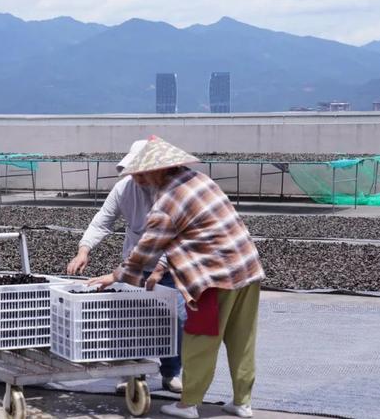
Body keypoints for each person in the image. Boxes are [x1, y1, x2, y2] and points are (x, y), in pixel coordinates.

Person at [88, 136, 265, 419]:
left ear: (158, 169)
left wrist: (116, 275)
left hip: (212, 279)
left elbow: (146, 248)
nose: (137, 178)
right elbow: (194, 233)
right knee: (242, 340)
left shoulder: (167, 201)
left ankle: (188, 405)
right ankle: (242, 402)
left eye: (140, 172)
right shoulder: (199, 181)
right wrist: (160, 269)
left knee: (199, 340)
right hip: (247, 269)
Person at [67, 139, 183, 393]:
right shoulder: (123, 189)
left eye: (143, 173)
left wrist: (160, 268)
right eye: (134, 173)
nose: (138, 178)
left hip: (168, 264)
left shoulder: (171, 192)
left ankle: (171, 372)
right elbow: (102, 221)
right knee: (129, 318)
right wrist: (84, 249)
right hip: (135, 263)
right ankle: (129, 371)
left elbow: (176, 237)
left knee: (173, 320)